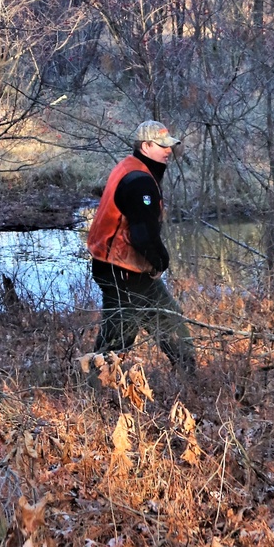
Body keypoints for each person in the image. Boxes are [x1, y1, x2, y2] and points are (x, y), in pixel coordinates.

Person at [85, 120, 197, 375]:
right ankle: (92, 396)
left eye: (170, 146)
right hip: (121, 269)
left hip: (126, 267)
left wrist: (153, 262)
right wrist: (160, 262)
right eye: (162, 146)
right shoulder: (139, 181)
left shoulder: (131, 167)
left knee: (169, 319)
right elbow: (142, 234)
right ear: (145, 146)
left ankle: (190, 381)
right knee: (117, 339)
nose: (168, 151)